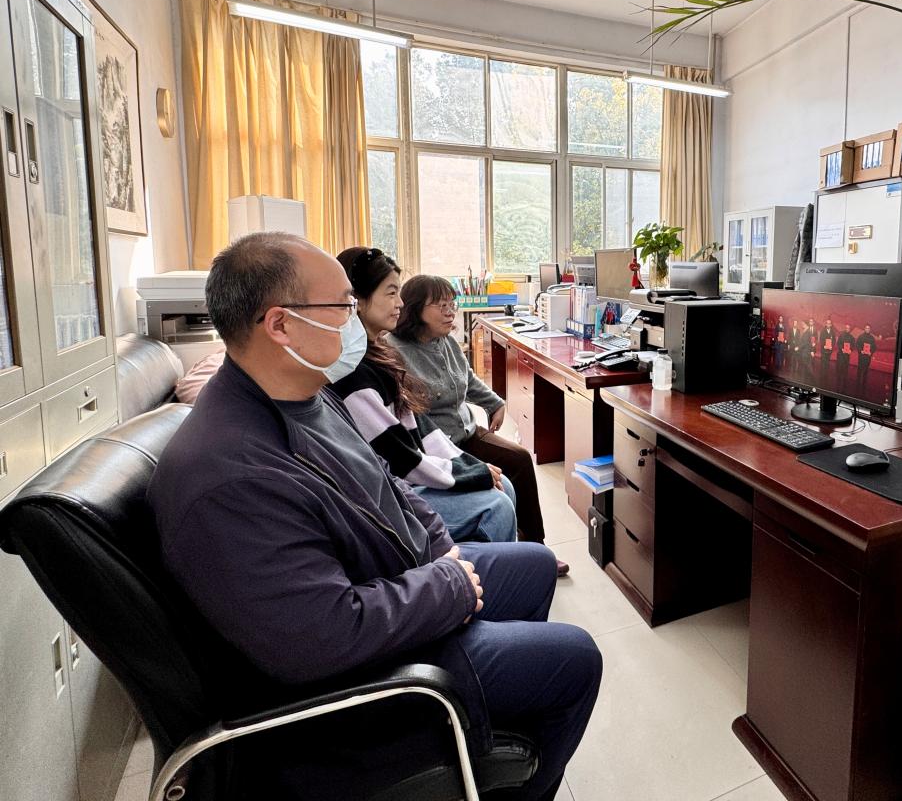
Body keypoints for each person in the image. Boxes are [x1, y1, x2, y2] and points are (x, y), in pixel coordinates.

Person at [147, 233, 601, 801]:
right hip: (363, 679)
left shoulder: (306, 396)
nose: (356, 320)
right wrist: (449, 585)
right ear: (281, 325)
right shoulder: (230, 477)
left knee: (531, 563)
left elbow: (388, 481)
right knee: (575, 658)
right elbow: (323, 636)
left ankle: (491, 741)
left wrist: (440, 547)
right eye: (342, 305)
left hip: (391, 577)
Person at [329, 246, 517, 543]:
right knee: (497, 505)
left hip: (414, 469)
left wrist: (470, 467)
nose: (400, 303)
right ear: (357, 301)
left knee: (504, 483)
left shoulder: (380, 355)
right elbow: (400, 456)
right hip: (390, 491)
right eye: (391, 293)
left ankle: (509, 558)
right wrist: (467, 473)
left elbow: (420, 427)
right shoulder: (356, 370)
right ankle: (471, 569)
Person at [389, 275, 568, 576]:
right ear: (415, 309)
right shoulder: (395, 352)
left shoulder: (446, 342)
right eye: (441, 306)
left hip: (465, 431)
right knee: (498, 485)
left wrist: (495, 402)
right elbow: (409, 418)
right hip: (436, 445)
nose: (451, 312)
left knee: (519, 459)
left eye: (453, 304)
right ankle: (505, 553)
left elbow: (468, 380)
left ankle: (534, 545)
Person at [857, 323, 878, 392]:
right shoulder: (861, 336)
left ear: (870, 329)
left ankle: (864, 385)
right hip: (861, 356)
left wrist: (871, 352)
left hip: (867, 357)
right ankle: (858, 384)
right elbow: (857, 345)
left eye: (868, 328)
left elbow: (874, 347)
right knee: (859, 370)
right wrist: (861, 350)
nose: (867, 329)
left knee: (866, 371)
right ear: (864, 329)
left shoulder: (872, 338)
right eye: (866, 328)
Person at [818, 317, 838, 387]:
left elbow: (834, 340)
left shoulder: (833, 332)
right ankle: (821, 377)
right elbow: (821, 339)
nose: (828, 324)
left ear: (831, 324)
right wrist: (824, 346)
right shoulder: (823, 331)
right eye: (827, 323)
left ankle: (825, 377)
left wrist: (832, 346)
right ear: (826, 324)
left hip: (829, 350)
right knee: (823, 363)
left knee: (827, 363)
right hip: (824, 350)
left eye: (829, 323)